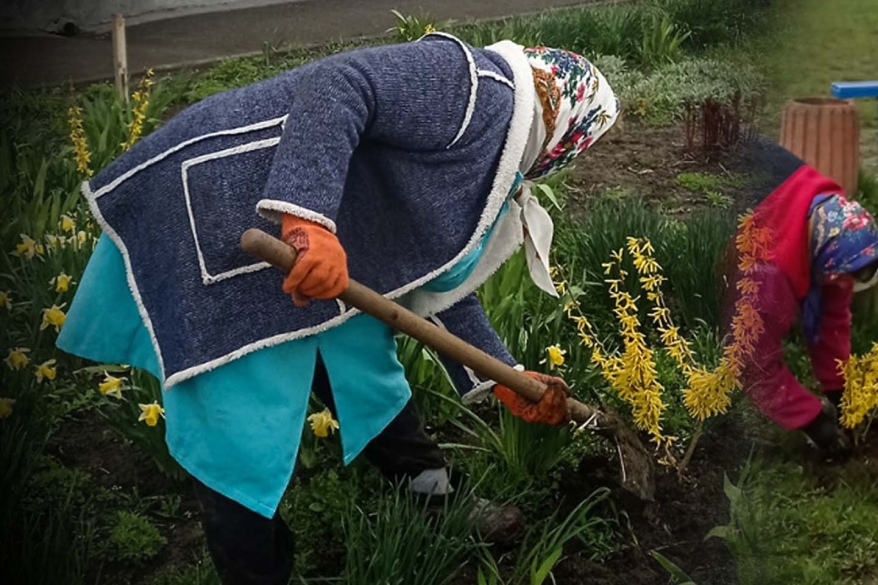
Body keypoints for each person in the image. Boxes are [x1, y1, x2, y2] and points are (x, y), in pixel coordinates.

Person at [56, 33, 619, 584]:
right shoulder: (475, 89)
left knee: (361, 367)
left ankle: (432, 496)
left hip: (285, 234)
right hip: (211, 210)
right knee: (239, 423)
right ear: (565, 131)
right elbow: (339, 83)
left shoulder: (494, 153)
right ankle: (255, 571)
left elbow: (435, 276)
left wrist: (502, 377)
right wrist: (307, 220)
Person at [721, 142, 878, 457]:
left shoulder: (829, 226)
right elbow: (752, 362)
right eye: (843, 277)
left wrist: (841, 392)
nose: (845, 285)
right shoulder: (766, 275)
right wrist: (813, 422)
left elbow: (831, 322)